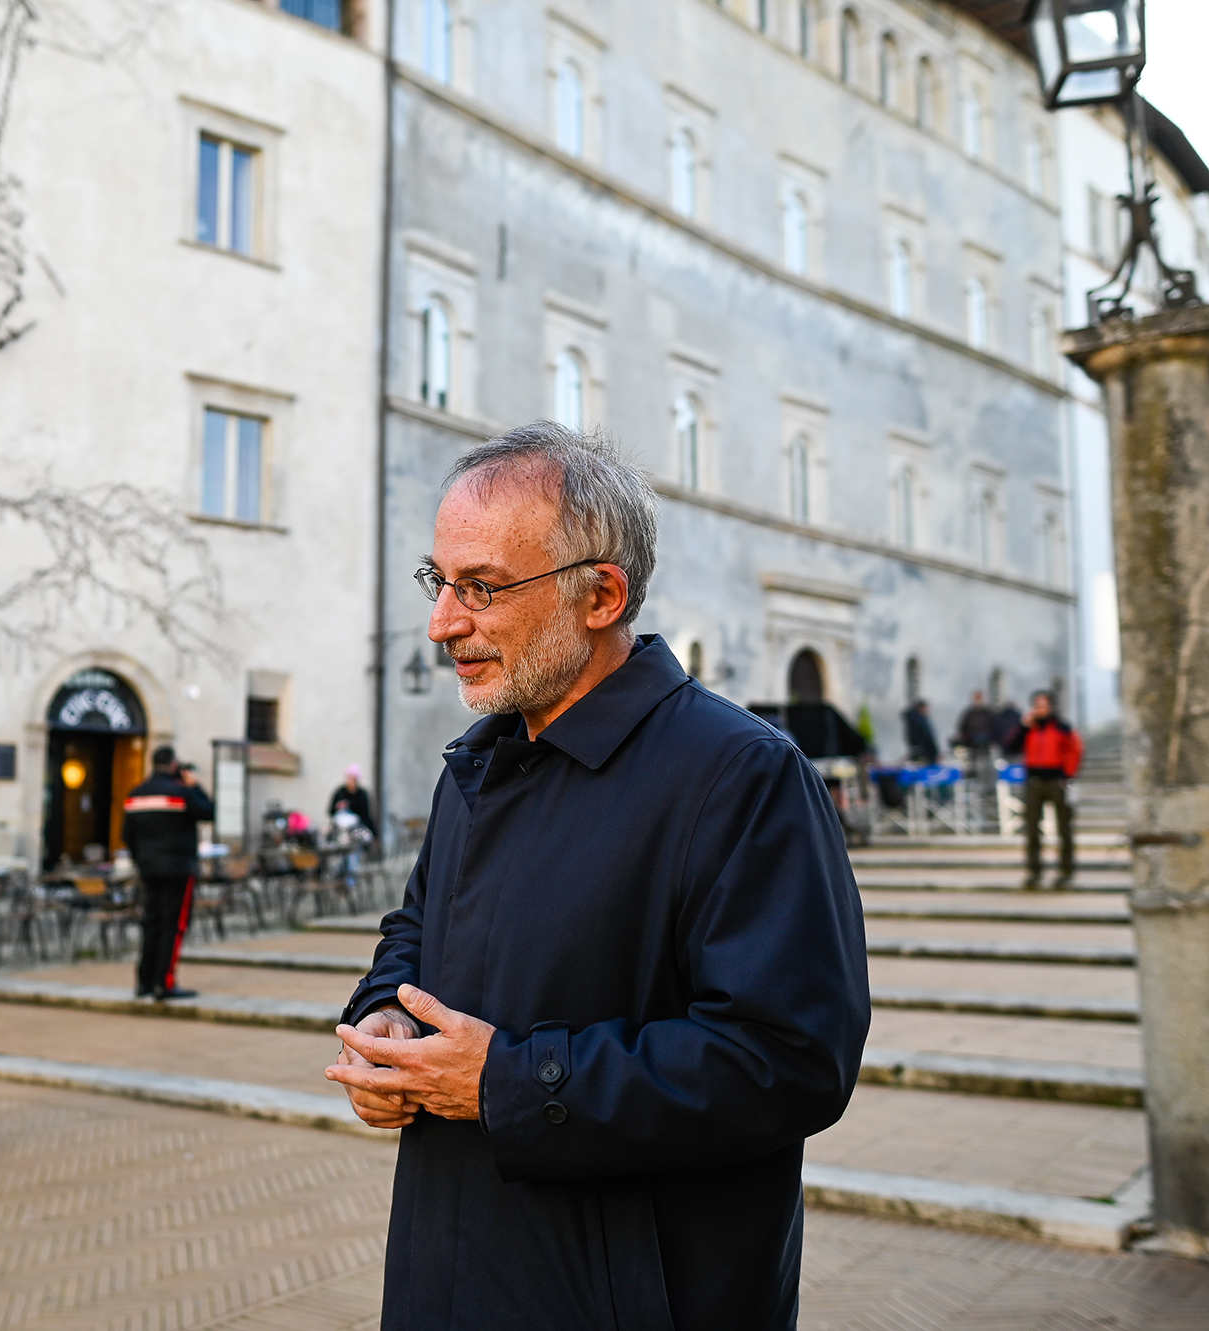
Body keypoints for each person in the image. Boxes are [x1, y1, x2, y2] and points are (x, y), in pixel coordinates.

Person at [326, 423, 868, 1330]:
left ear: (601, 595)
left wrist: (509, 1082)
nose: (442, 623)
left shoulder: (742, 775)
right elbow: (415, 929)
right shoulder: (478, 762)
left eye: (481, 587)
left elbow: (791, 1059)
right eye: (438, 581)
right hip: (447, 1271)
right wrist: (386, 1015)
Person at [122, 746, 214, 1001]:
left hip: (149, 868)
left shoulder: (136, 794)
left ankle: (144, 982)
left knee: (151, 922)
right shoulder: (182, 793)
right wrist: (195, 786)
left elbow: (127, 834)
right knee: (173, 924)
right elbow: (208, 812)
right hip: (179, 867)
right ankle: (165, 982)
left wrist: (141, 859)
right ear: (174, 765)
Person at [1015, 690, 1083, 888]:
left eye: (1044, 706)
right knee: (1031, 827)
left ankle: (1066, 870)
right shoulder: (1029, 728)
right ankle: (1034, 870)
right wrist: (1022, 727)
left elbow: (1075, 750)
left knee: (1064, 827)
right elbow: (1010, 745)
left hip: (1056, 781)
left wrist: (1068, 775)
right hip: (1034, 781)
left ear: (1051, 707)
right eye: (1037, 706)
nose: (1040, 710)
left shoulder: (1062, 728)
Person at [953, 689, 999, 773]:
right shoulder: (969, 713)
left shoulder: (988, 712)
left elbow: (995, 726)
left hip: (987, 745)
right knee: (974, 765)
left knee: (987, 764)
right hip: (972, 745)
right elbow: (962, 727)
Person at [328, 764, 376, 836]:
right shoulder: (340, 793)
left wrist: (374, 833)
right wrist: (338, 807)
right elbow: (331, 811)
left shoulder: (362, 795)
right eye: (349, 778)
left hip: (357, 828)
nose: (351, 781)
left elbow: (365, 815)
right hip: (340, 828)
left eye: (353, 779)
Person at [902, 698, 940, 764]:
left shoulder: (912, 720)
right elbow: (928, 737)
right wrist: (934, 752)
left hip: (918, 750)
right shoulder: (920, 722)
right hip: (925, 753)